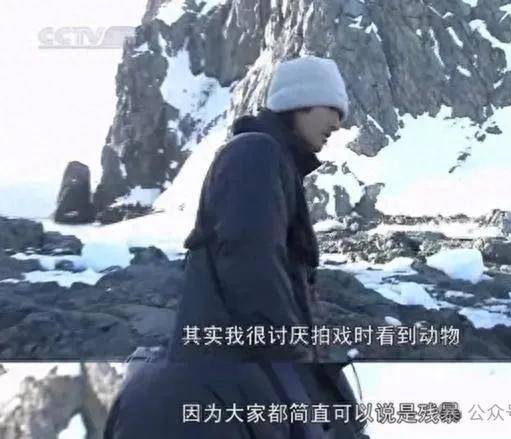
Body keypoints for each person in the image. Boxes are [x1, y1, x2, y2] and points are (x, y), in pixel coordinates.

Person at [104, 56, 369, 438]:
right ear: (300, 102)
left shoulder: (269, 158)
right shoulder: (256, 153)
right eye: (332, 108)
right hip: (237, 371)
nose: (338, 123)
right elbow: (250, 259)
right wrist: (292, 352)